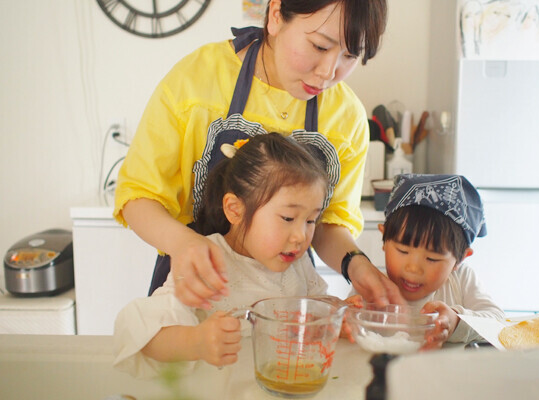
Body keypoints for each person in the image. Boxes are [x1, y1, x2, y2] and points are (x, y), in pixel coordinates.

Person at [113, 0, 401, 311]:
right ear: (276, 16)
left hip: (286, 296)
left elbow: (329, 223)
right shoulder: (196, 81)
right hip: (197, 287)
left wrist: (355, 264)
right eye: (319, 46)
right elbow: (138, 197)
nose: (328, 73)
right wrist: (185, 245)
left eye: (350, 55)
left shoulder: (346, 118)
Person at [114, 133, 341, 377]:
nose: (300, 236)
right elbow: (137, 331)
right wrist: (196, 342)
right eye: (288, 218)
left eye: (310, 220)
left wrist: (337, 314)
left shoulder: (298, 263)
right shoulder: (208, 261)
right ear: (235, 209)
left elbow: (317, 307)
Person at [374, 174, 504, 349]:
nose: (413, 268)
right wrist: (347, 318)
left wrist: (456, 321)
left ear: (460, 259)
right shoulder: (373, 285)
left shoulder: (461, 280)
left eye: (432, 258)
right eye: (403, 251)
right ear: (384, 238)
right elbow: (346, 320)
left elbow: (497, 322)